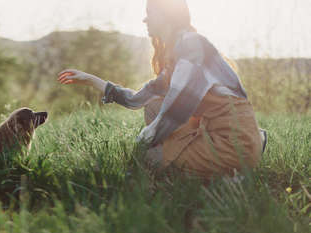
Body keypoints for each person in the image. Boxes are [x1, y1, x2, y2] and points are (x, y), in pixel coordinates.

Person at [57, 0, 266, 180]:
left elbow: (175, 112)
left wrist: (141, 146)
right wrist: (92, 80)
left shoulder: (191, 47)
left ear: (167, 15)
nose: (145, 20)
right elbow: (137, 99)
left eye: (150, 13)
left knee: (149, 159)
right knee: (153, 107)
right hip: (217, 132)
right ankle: (226, 162)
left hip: (233, 143)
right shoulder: (176, 54)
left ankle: (232, 173)